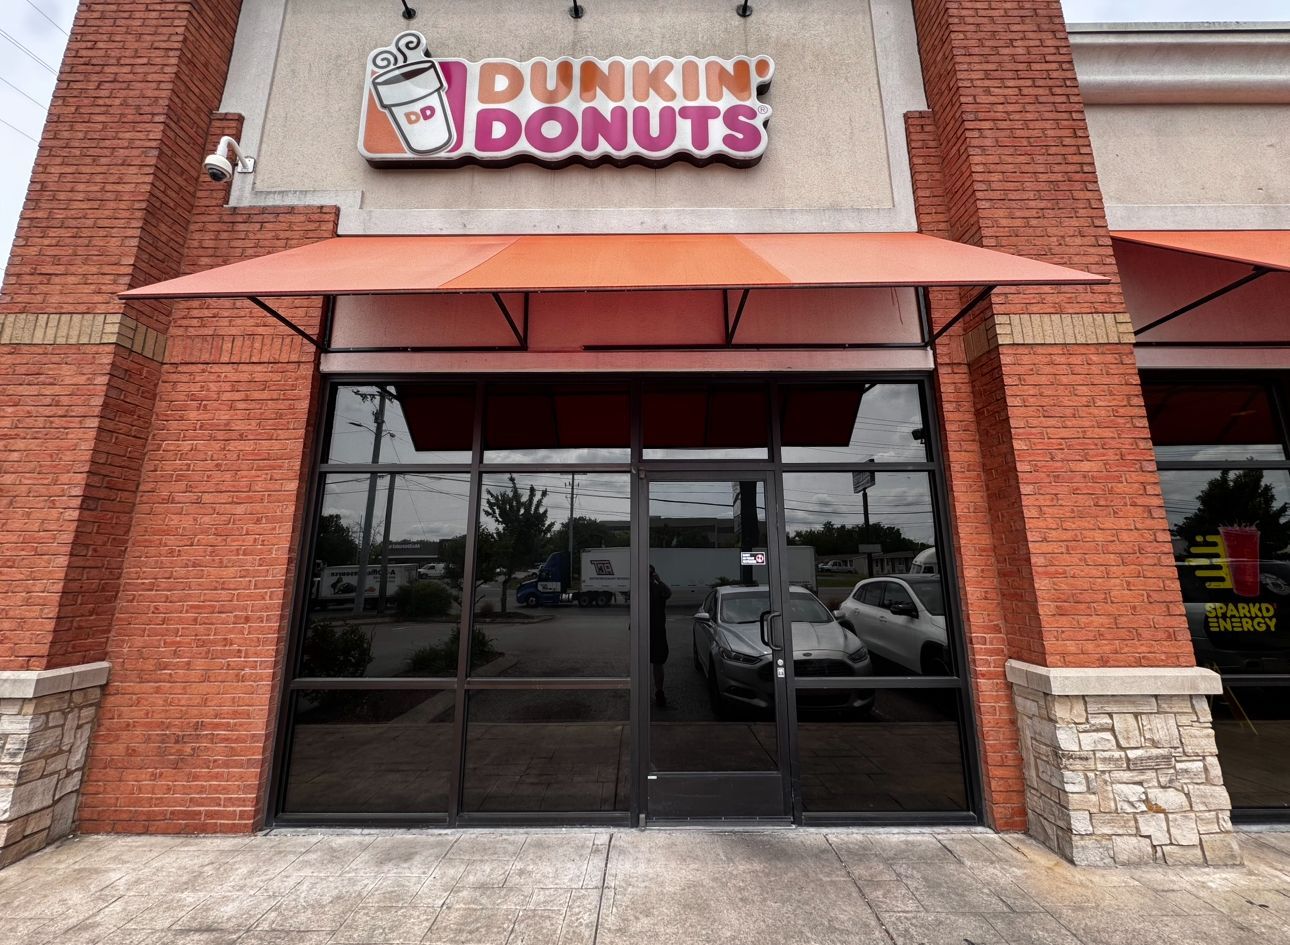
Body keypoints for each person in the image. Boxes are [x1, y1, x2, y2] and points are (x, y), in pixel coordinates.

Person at [649, 564, 672, 707]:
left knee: (656, 662)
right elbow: (667, 593)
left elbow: (668, 593)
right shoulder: (657, 589)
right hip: (655, 630)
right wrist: (660, 581)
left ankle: (658, 692)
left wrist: (659, 581)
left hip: (654, 631)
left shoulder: (656, 589)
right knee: (656, 663)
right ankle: (658, 691)